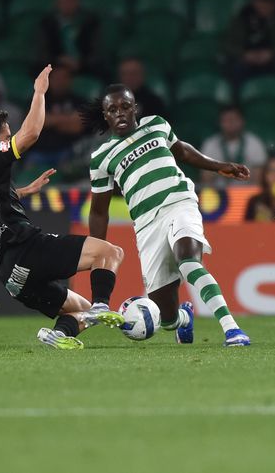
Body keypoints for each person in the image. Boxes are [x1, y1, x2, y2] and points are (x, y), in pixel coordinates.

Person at [0, 65, 125, 350]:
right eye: (6, 138)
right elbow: (31, 132)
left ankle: (57, 335)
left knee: (78, 308)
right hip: (26, 248)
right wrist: (39, 92)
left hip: (8, 273)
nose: (9, 142)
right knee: (110, 252)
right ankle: (102, 305)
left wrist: (19, 192)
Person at [84, 84, 252, 347]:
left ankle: (232, 329)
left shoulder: (156, 125)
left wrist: (220, 166)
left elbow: (182, 151)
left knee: (188, 259)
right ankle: (183, 318)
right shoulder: (101, 158)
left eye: (125, 107)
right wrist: (96, 252)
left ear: (135, 108)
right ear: (105, 115)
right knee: (167, 318)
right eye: (112, 109)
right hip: (146, 224)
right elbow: (98, 211)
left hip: (178, 202)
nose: (120, 113)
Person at [26, 64, 86, 167]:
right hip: (40, 152)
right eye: (56, 78)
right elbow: (35, 124)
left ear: (70, 80)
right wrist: (68, 120)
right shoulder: (39, 98)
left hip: (68, 151)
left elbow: (76, 127)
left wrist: (51, 120)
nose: (60, 81)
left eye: (64, 77)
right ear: (50, 80)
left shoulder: (78, 101)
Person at [39, 0, 102, 76]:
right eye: (64, 0)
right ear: (57, 3)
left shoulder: (90, 22)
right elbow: (42, 52)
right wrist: (59, 61)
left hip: (85, 68)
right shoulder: (47, 23)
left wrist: (80, 63)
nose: (67, 4)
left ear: (78, 2)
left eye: (71, 0)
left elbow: (96, 50)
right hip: (54, 68)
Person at [200, 106, 267, 187]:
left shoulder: (255, 144)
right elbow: (206, 180)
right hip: (219, 194)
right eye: (226, 120)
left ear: (242, 121)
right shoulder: (210, 145)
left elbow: (258, 181)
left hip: (247, 194)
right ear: (220, 123)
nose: (230, 124)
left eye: (234, 120)